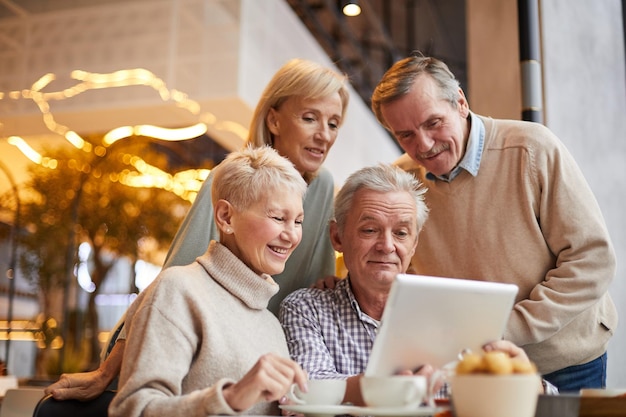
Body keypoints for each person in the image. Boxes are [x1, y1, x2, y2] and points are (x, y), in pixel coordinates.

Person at [44, 58, 350, 401]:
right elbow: (171, 283)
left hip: (268, 353)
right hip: (206, 358)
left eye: (334, 123)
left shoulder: (323, 185)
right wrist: (107, 371)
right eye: (310, 118)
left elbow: (315, 283)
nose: (324, 135)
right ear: (274, 119)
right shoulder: (233, 180)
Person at [370, 54, 617, 392]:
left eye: (433, 123)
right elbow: (402, 273)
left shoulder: (532, 149)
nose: (424, 145)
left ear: (460, 103)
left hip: (564, 360)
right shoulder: (401, 181)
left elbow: (592, 260)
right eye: (406, 135)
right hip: (472, 367)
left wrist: (507, 329)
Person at [279, 164, 551, 407]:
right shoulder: (307, 309)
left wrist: (527, 384)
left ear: (414, 244)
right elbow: (305, 398)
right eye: (370, 229)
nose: (387, 246)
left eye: (400, 233)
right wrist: (388, 392)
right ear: (337, 237)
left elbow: (531, 404)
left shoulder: (460, 314)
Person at [108, 145, 308, 417]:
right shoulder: (178, 290)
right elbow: (131, 410)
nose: (292, 235)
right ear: (226, 217)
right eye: (278, 218)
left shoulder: (272, 325)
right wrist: (231, 398)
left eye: (297, 221)